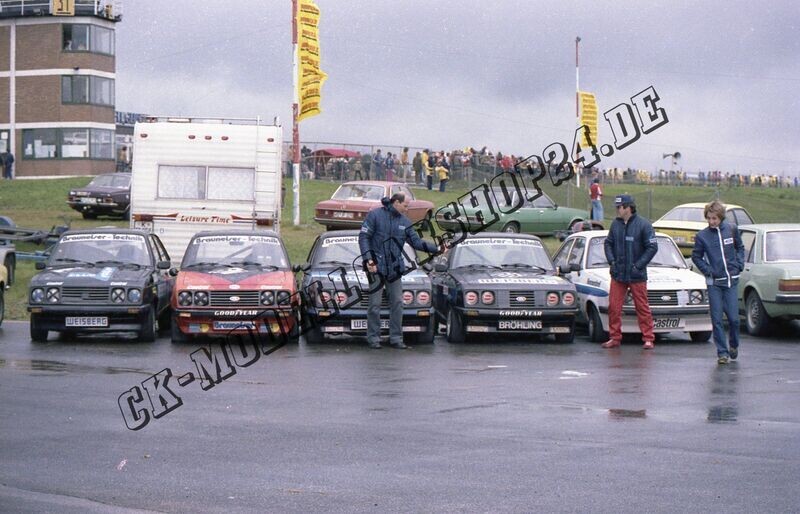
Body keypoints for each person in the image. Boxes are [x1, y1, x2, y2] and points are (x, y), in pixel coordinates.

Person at [358, 193, 441, 349]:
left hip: (394, 268)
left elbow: (416, 242)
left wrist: (436, 248)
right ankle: (373, 339)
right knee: (374, 305)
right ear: (396, 202)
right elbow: (363, 238)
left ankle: (396, 338)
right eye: (405, 205)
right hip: (375, 267)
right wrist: (369, 259)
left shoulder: (405, 222)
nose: (406, 208)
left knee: (397, 302)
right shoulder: (375, 215)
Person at [691, 200, 745, 364]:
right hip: (714, 283)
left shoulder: (731, 229)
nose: (711, 222)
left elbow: (740, 248)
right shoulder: (702, 236)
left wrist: (739, 264)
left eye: (714, 218)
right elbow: (696, 257)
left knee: (734, 319)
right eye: (709, 218)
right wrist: (708, 271)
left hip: (731, 282)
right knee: (717, 319)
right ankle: (722, 352)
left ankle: (734, 345)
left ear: (721, 217)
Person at [602, 194, 658, 349]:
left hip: (636, 275)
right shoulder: (615, 224)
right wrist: (612, 261)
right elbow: (608, 243)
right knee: (614, 307)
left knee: (642, 306)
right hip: (618, 274)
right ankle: (614, 337)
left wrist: (638, 266)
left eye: (619, 207)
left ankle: (648, 338)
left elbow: (652, 247)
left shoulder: (644, 225)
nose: (617, 210)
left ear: (628, 208)